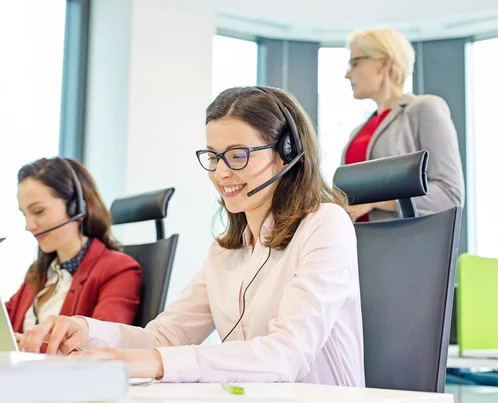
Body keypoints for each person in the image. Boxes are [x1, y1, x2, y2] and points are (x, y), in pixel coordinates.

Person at [21, 87, 365, 386]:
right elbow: (165, 336)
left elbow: (287, 353)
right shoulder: (226, 249)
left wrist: (156, 363)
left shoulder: (325, 224)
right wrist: (85, 329)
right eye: (213, 157)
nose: (221, 172)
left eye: (237, 155)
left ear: (287, 152)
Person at [6, 157, 142, 336]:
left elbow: (102, 345)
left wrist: (25, 347)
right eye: (24, 214)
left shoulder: (117, 270)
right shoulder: (37, 273)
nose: (28, 226)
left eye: (38, 211)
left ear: (76, 206)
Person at [342, 27, 465, 222]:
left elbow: (449, 193)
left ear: (383, 64)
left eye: (354, 63)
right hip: (354, 246)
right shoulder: (359, 131)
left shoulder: (424, 109)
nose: (347, 75)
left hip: (398, 245)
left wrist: (375, 200)